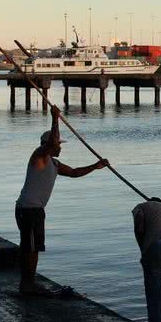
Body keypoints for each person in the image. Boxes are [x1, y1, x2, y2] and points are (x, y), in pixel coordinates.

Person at [15, 106, 109, 295]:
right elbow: (50, 145)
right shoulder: (39, 157)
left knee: (34, 247)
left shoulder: (54, 163)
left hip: (35, 210)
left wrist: (96, 166)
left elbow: (74, 172)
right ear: (49, 144)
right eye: (58, 144)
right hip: (28, 209)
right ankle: (27, 284)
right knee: (30, 248)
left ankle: (28, 283)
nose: (60, 147)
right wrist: (55, 119)